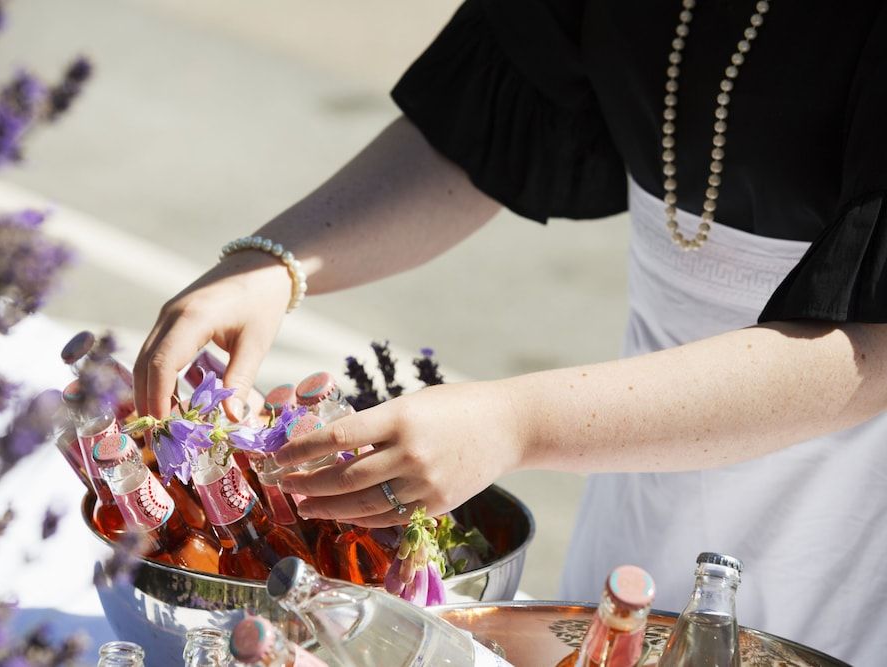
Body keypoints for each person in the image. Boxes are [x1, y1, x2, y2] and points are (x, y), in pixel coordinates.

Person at [134, 2, 887, 662]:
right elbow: (482, 124)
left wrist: (514, 422)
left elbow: (871, 355)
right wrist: (276, 266)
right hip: (640, 461)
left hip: (841, 526)